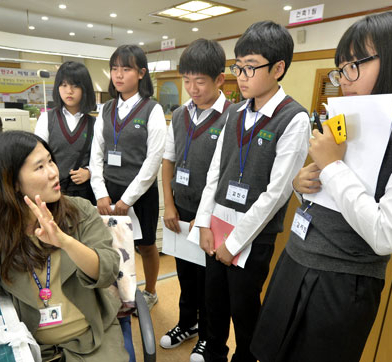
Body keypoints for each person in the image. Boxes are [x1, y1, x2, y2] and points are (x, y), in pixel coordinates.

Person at [250, 12, 392, 362]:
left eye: (353, 66)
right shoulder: (349, 118)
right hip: (294, 260)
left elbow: (386, 234)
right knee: (267, 353)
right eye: (340, 68)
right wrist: (303, 184)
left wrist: (331, 166)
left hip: (342, 282)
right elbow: (326, 192)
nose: (344, 79)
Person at [0, 130, 127, 362]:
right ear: (12, 183)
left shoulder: (79, 212)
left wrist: (66, 242)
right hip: (33, 349)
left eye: (50, 161)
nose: (54, 173)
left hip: (93, 340)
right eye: (40, 167)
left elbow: (107, 270)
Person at [193, 21, 310, 362]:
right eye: (238, 67)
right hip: (217, 223)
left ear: (278, 68)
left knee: (243, 307)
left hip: (252, 235)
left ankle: (245, 357)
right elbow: (216, 170)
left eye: (250, 67)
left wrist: (234, 243)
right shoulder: (234, 112)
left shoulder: (294, 119)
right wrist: (203, 223)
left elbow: (276, 193)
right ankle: (214, 350)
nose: (241, 76)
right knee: (213, 301)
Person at [160, 38, 229, 362]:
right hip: (181, 208)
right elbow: (168, 161)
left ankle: (208, 336)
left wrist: (204, 220)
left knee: (209, 283)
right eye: (186, 80)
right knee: (185, 274)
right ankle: (186, 324)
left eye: (199, 81)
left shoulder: (232, 116)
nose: (192, 88)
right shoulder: (179, 114)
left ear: (219, 79)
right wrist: (169, 205)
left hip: (212, 217)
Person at [90, 44, 166, 311]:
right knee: (110, 242)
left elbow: (153, 160)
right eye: (114, 68)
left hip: (140, 192)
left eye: (126, 68)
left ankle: (151, 291)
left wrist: (128, 199)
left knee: (145, 246)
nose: (118, 75)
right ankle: (116, 293)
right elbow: (96, 153)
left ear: (141, 73)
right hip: (108, 189)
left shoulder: (152, 109)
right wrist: (100, 191)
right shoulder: (107, 108)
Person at [34, 61, 97, 205]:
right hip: (53, 191)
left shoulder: (95, 123)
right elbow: (37, 155)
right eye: (64, 85)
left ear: (85, 89)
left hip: (84, 194)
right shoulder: (47, 119)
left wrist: (89, 172)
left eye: (75, 86)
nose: (69, 91)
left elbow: (100, 157)